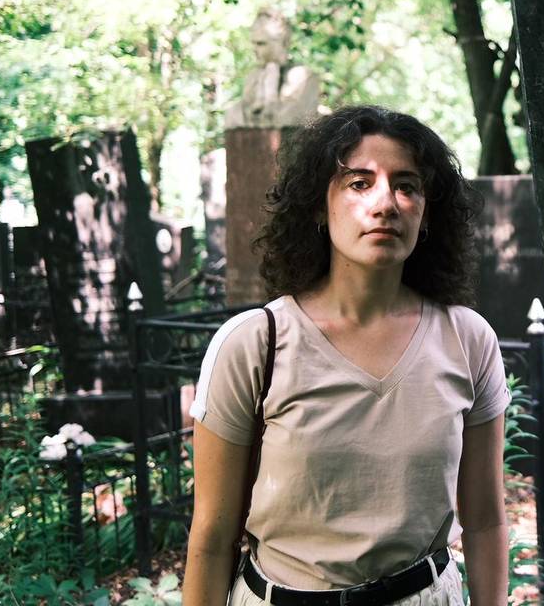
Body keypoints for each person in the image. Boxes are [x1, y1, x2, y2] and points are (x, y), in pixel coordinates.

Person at [183, 105, 511, 606]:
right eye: (359, 183)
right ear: (319, 205)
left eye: (407, 185)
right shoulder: (255, 344)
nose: (386, 203)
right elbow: (210, 538)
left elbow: (485, 520)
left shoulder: (467, 340)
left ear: (426, 214)